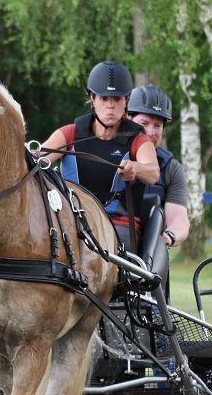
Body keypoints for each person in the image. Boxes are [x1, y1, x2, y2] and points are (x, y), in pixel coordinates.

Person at [39, 61, 159, 252]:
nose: (110, 106)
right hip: (72, 220)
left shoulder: (138, 138)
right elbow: (39, 158)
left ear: (127, 100)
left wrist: (136, 168)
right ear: (92, 99)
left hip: (118, 225)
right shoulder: (70, 133)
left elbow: (153, 173)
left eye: (117, 99)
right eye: (104, 98)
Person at [126, 84, 189, 248]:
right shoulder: (111, 155)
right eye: (144, 123)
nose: (150, 132)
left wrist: (170, 235)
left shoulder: (171, 168)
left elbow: (179, 219)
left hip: (151, 248)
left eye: (157, 126)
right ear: (128, 120)